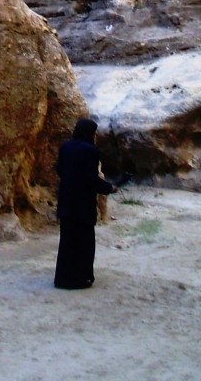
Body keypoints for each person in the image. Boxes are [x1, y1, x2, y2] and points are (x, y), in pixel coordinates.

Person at [54, 117, 116, 289]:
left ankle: (63, 279)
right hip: (82, 205)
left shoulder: (65, 146)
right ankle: (81, 279)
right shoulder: (90, 150)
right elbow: (91, 179)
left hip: (66, 202)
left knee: (67, 243)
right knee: (84, 244)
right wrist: (109, 188)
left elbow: (60, 170)